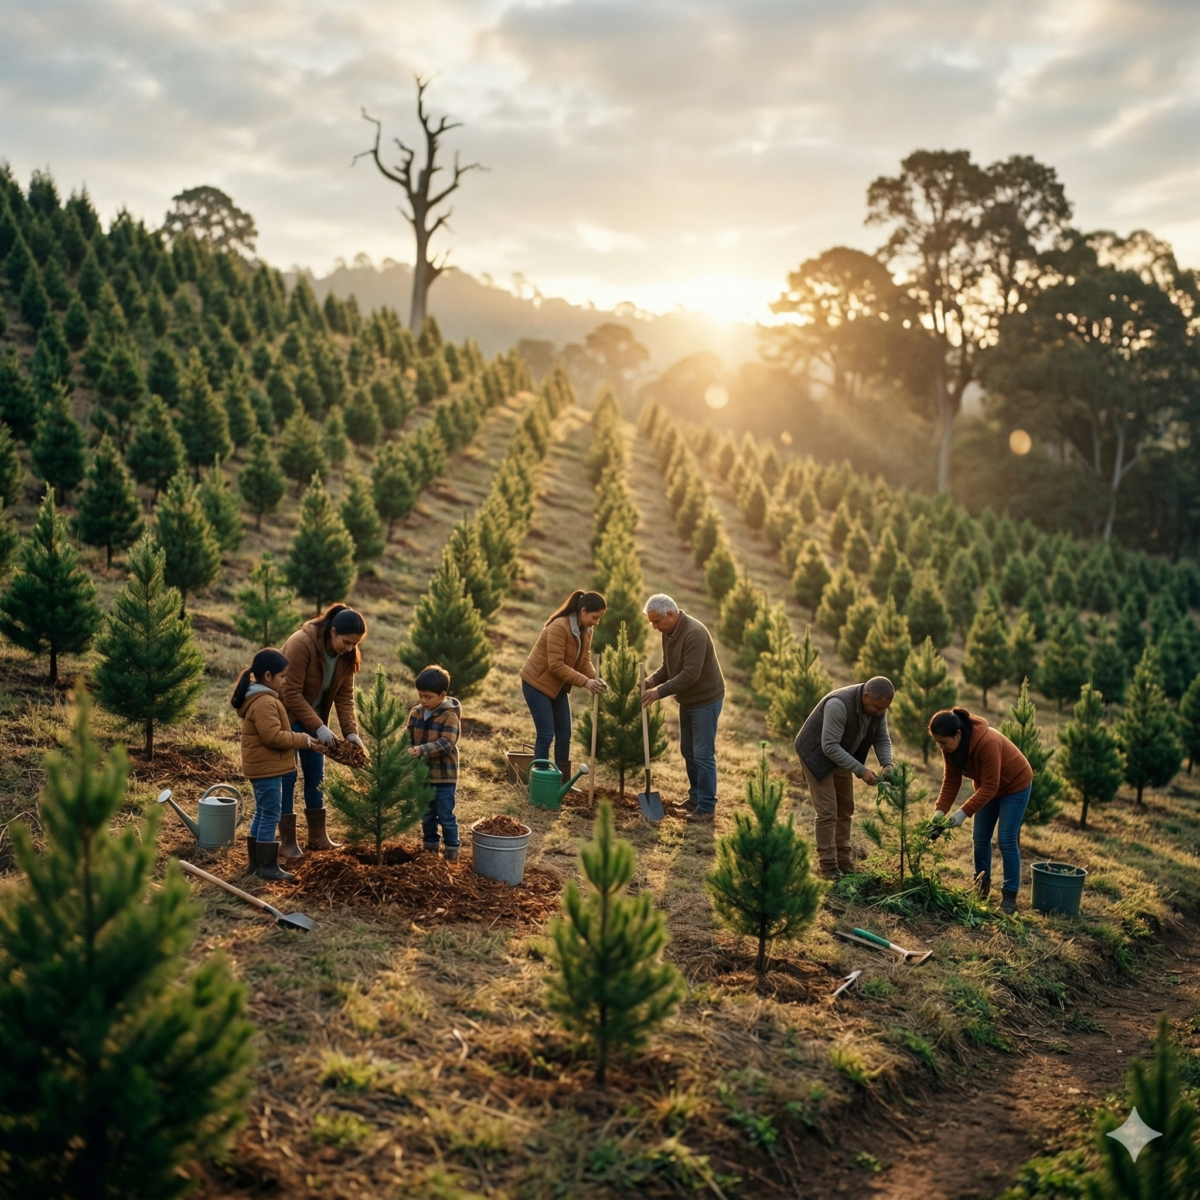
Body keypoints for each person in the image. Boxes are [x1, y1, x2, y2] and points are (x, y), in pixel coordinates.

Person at [280, 604, 368, 858]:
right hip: (288, 717)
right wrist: (320, 727)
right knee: (287, 777)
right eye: (347, 642)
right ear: (332, 632)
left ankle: (317, 837)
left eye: (355, 644)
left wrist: (350, 732)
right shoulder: (301, 643)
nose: (350, 648)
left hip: (316, 721)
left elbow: (344, 696)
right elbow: (290, 693)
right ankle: (287, 842)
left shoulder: (347, 656)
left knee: (315, 777)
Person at [928, 707, 1033, 914]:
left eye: (944, 742)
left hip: (1014, 785)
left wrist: (964, 812)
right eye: (938, 742)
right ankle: (981, 888)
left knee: (1006, 839)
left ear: (958, 734)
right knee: (980, 837)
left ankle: (1009, 899)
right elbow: (951, 780)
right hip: (989, 787)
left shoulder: (987, 743)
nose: (941, 747)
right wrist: (939, 812)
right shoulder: (950, 747)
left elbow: (991, 786)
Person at [232, 648, 323, 882]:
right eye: (282, 677)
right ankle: (267, 866)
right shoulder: (264, 702)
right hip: (267, 768)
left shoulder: (261, 698)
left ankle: (256, 863)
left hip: (264, 767)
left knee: (262, 813)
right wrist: (302, 740)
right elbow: (273, 736)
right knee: (271, 814)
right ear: (268, 675)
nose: (284, 682)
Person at [794, 678, 895, 879]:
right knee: (827, 811)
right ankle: (828, 866)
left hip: (841, 753)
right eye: (878, 707)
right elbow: (829, 746)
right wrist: (861, 770)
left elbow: (881, 738)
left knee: (845, 807)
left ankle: (843, 859)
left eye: (885, 708)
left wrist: (887, 764)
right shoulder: (838, 704)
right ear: (866, 696)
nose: (881, 712)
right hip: (816, 755)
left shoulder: (878, 709)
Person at [641, 593, 726, 824]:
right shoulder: (669, 633)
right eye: (651, 622)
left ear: (670, 614)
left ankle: (707, 807)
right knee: (688, 750)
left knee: (703, 754)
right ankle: (695, 798)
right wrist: (650, 681)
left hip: (706, 699)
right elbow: (668, 667)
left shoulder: (694, 633)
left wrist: (658, 692)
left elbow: (690, 674)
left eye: (656, 622)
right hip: (688, 700)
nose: (654, 627)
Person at [520, 590, 607, 776]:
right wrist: (586, 683)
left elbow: (584, 660)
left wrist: (594, 678)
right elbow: (556, 665)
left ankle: (562, 781)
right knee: (546, 734)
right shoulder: (559, 627)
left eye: (599, 618)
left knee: (565, 735)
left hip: (557, 686)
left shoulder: (586, 630)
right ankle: (541, 782)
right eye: (595, 617)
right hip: (536, 684)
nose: (596, 622)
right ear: (583, 611)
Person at [407, 664, 462, 861]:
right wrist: (406, 749)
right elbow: (408, 736)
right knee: (427, 815)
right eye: (420, 695)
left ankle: (452, 852)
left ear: (442, 695)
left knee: (446, 816)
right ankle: (430, 851)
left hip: (444, 777)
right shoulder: (416, 713)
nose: (423, 700)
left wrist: (422, 749)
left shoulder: (449, 716)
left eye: (428, 697)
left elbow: (447, 743)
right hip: (423, 775)